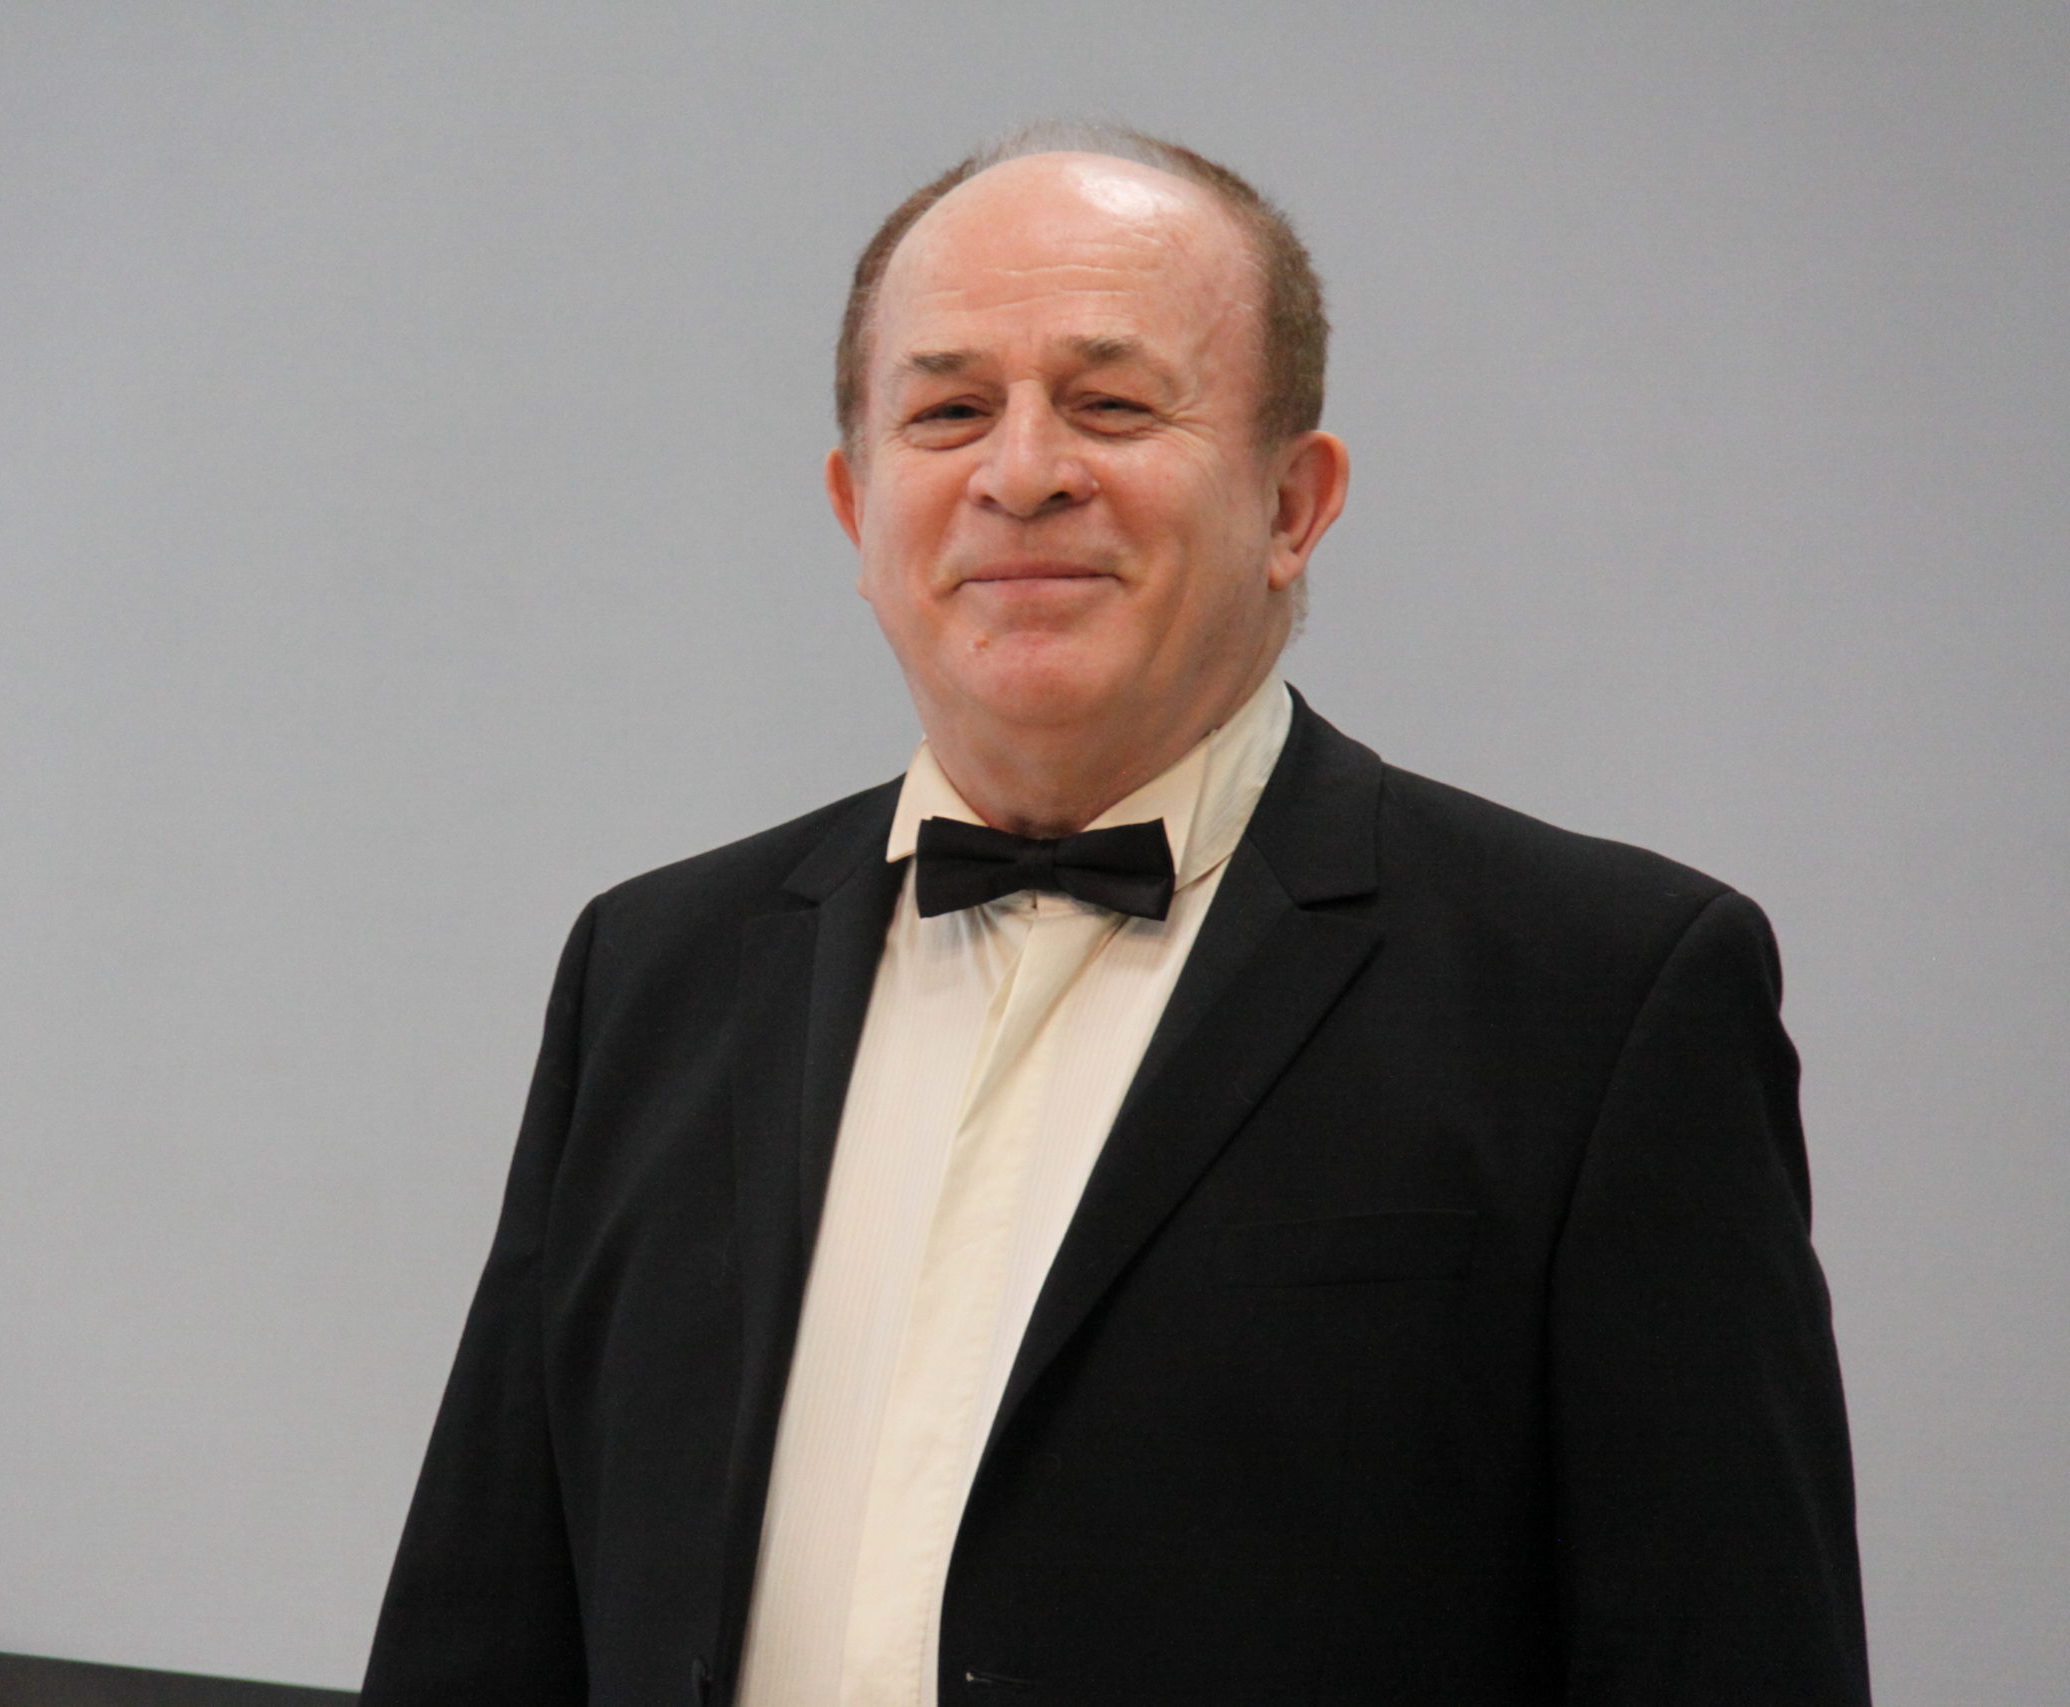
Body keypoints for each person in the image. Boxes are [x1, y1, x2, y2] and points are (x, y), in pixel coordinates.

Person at [359, 123, 1868, 1706]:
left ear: (1294, 503)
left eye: (1113, 405)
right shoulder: (650, 973)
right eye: (948, 412)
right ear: (856, 508)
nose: (1022, 473)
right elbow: (484, 1630)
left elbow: (1728, 1659)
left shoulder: (1602, 998)